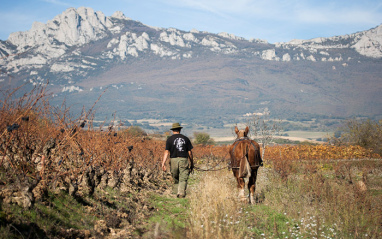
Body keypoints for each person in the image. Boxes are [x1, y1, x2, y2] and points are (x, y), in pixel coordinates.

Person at [161, 122, 194, 198]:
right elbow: (190, 152)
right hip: (183, 159)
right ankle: (181, 193)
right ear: (180, 129)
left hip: (173, 160)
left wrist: (163, 163)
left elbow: (166, 152)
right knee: (183, 177)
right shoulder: (186, 138)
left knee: (175, 176)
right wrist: (192, 163)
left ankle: (175, 193)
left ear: (173, 130)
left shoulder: (169, 139)